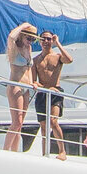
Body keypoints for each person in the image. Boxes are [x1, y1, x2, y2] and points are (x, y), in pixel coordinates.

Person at [28, 31, 72, 159]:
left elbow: (69, 59)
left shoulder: (57, 57)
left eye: (48, 39)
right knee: (43, 126)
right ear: (40, 41)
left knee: (53, 121)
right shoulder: (35, 60)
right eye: (43, 39)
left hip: (55, 92)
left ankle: (62, 151)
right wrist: (41, 86)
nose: (46, 41)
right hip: (42, 93)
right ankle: (44, 153)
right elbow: (34, 80)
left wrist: (57, 42)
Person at [3, 22, 39, 150]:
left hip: (26, 89)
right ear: (22, 36)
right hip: (15, 86)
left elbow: (28, 69)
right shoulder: (14, 49)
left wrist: (33, 82)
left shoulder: (29, 49)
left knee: (20, 124)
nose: (31, 41)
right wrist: (23, 26)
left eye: (33, 39)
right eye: (28, 38)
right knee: (16, 122)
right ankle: (5, 151)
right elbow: (11, 37)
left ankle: (15, 151)